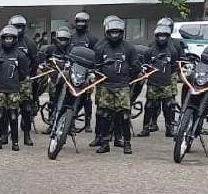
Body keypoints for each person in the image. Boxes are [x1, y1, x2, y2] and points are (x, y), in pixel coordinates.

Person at [93, 16, 141, 154]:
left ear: (122, 32)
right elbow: (96, 67)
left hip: (123, 86)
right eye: (112, 32)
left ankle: (127, 143)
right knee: (105, 115)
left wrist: (129, 78)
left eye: (117, 32)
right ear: (107, 32)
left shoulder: (129, 48)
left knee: (124, 115)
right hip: (106, 86)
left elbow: (135, 66)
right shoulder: (100, 47)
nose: (115, 35)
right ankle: (105, 143)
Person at [137, 23, 183, 138]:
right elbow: (146, 65)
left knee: (168, 105)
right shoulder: (150, 50)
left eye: (164, 36)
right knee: (149, 105)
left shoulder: (172, 50)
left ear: (168, 36)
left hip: (166, 83)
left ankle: (169, 129)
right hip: (152, 83)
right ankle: (146, 128)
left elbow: (174, 66)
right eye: (160, 36)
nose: (162, 38)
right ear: (156, 36)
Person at [0, 25, 29, 151]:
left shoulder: (20, 55)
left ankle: (15, 142)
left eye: (10, 38)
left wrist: (16, 82)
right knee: (0, 114)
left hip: (13, 89)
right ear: (2, 39)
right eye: (6, 38)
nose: (8, 41)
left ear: (15, 39)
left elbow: (24, 73)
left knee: (13, 114)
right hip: (0, 88)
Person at [8, 15, 41, 146]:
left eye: (20, 27)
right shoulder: (5, 40)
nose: (18, 29)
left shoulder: (29, 43)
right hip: (8, 79)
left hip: (24, 80)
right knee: (6, 108)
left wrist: (29, 75)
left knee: (26, 108)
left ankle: (27, 134)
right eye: (16, 26)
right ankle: (4, 134)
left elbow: (35, 60)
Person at [70, 11, 97, 134]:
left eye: (83, 22)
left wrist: (92, 71)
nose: (80, 24)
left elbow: (96, 55)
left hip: (87, 72)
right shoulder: (71, 37)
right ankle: (70, 122)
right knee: (71, 96)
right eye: (78, 21)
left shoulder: (92, 38)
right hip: (72, 70)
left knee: (86, 98)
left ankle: (87, 123)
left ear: (87, 23)